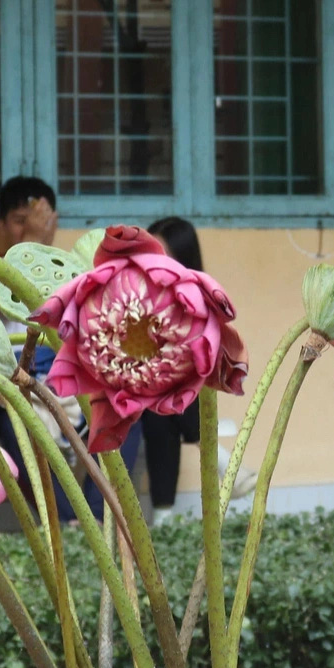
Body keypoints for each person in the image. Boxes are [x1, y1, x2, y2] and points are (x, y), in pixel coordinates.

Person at [142, 217, 204, 522]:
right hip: (123, 387)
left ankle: (163, 517)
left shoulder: (196, 299)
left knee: (161, 408)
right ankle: (215, 454)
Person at [0, 175, 58, 320]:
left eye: (39, 220)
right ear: (2, 225)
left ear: (53, 222)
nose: (31, 226)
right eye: (21, 221)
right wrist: (32, 242)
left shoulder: (68, 270)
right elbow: (5, 303)